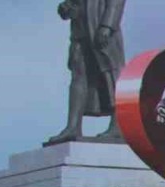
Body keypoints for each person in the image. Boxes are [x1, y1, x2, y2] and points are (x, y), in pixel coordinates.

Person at [46, 0, 127, 145]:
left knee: (111, 74)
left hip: (99, 23)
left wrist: (107, 25)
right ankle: (73, 126)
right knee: (78, 75)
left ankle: (118, 126)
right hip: (80, 27)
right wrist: (66, 7)